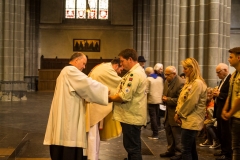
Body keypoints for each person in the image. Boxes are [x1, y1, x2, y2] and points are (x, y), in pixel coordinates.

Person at [43, 52, 109, 160]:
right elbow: (88, 84)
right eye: (83, 63)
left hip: (66, 113)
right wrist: (106, 91)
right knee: (69, 138)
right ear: (76, 60)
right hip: (69, 117)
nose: (84, 67)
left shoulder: (65, 71)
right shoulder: (70, 71)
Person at [109, 48, 147, 160]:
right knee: (132, 147)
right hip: (131, 116)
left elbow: (124, 96)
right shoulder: (134, 72)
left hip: (131, 117)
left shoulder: (134, 74)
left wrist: (108, 98)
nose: (121, 64)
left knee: (133, 149)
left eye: (122, 61)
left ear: (130, 59)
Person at [86, 58, 123, 160]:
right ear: (116, 65)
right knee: (92, 134)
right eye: (121, 69)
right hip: (94, 104)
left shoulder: (104, 67)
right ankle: (92, 157)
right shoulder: (108, 70)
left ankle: (94, 156)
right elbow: (120, 84)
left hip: (93, 101)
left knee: (94, 134)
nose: (120, 72)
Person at [174, 57, 207, 160]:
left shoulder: (197, 83)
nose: (183, 71)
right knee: (191, 149)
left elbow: (190, 102)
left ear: (192, 68)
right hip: (187, 119)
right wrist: (177, 112)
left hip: (192, 120)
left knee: (185, 150)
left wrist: (179, 114)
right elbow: (181, 100)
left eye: (185, 68)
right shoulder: (189, 82)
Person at [160, 66, 185, 160]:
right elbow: (165, 93)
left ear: (174, 74)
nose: (166, 76)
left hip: (176, 112)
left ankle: (179, 153)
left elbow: (181, 100)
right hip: (168, 112)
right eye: (165, 74)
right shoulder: (167, 81)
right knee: (168, 132)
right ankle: (170, 150)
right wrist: (164, 98)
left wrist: (168, 99)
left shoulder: (181, 83)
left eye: (168, 74)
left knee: (177, 134)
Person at [222, 47, 240, 160]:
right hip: (234, 117)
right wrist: (225, 109)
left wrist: (230, 112)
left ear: (239, 58)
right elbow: (230, 94)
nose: (229, 59)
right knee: (236, 147)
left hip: (238, 116)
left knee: (237, 148)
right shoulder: (234, 75)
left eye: (231, 57)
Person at [213, 63, 232, 160]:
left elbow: (230, 96)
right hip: (219, 110)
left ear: (225, 70)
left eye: (218, 72)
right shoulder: (222, 81)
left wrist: (219, 94)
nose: (217, 75)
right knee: (220, 133)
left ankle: (227, 154)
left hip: (225, 111)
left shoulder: (230, 79)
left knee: (226, 134)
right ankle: (223, 151)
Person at [145, 67, 164, 140]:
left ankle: (155, 134)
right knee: (157, 116)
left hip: (151, 100)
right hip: (159, 99)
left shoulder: (148, 79)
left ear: (147, 73)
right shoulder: (160, 78)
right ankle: (158, 129)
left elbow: (146, 90)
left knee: (153, 117)